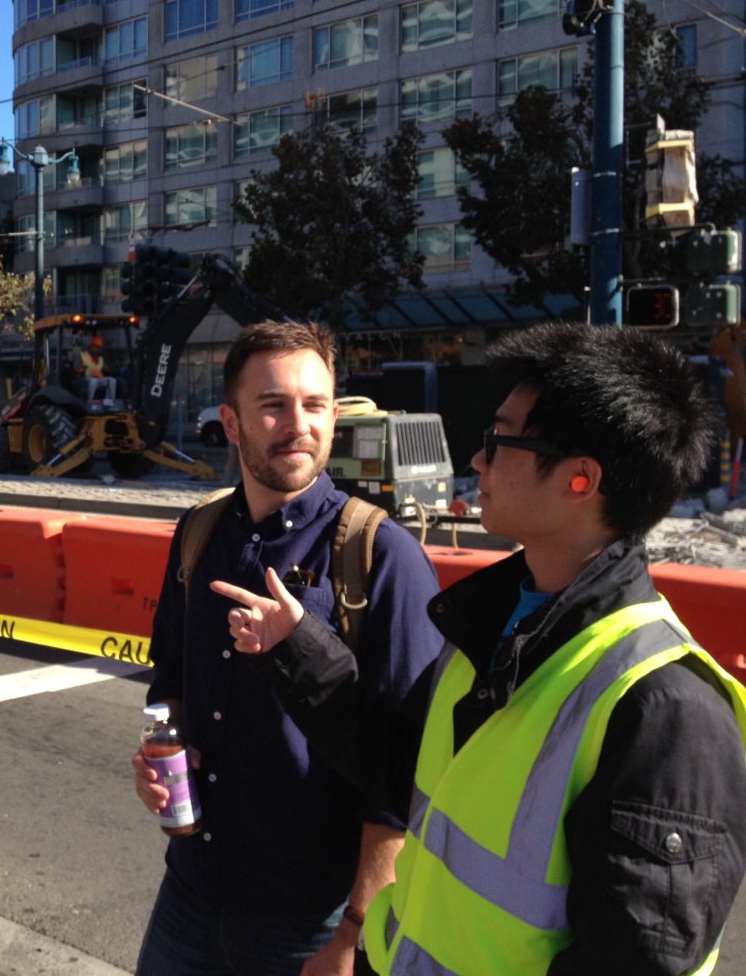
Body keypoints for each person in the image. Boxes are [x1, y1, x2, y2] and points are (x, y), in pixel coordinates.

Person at [224, 323, 746, 975]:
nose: (477, 461)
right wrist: (299, 649)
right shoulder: (495, 626)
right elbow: (409, 773)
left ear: (579, 480)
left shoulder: (666, 711)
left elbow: (638, 956)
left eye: (499, 441)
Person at [130, 320, 444, 976]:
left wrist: (354, 934)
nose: (298, 424)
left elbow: (406, 773)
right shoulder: (198, 532)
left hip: (313, 921)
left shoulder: (382, 556)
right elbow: (173, 675)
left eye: (315, 404)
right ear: (231, 420)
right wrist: (164, 747)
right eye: (273, 405)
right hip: (190, 896)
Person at [79, 334, 117, 401]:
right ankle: (89, 401)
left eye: (99, 347)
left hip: (99, 379)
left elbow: (105, 368)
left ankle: (109, 401)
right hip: (86, 379)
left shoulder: (100, 358)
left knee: (112, 380)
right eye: (96, 347)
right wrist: (81, 369)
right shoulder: (83, 355)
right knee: (94, 381)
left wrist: (110, 369)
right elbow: (76, 368)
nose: (98, 349)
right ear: (91, 346)